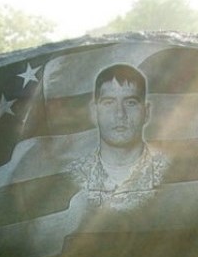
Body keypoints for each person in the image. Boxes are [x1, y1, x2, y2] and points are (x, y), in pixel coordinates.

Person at [68, 63, 168, 211]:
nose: (120, 114)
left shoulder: (170, 173)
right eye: (108, 103)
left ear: (146, 112)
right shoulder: (72, 176)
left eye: (131, 103)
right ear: (94, 112)